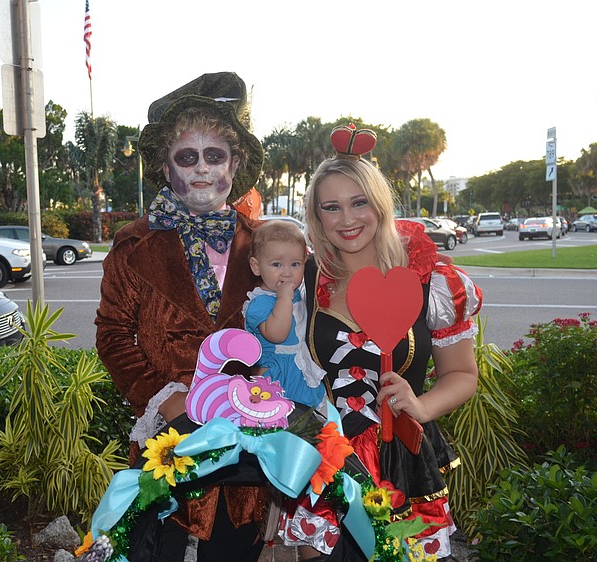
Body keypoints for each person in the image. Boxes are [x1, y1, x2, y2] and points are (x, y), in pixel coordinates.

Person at [288, 125, 483, 560]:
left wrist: (422, 407)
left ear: (379, 204)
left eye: (359, 202)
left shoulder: (432, 280)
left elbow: (462, 374)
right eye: (331, 207)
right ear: (317, 217)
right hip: (326, 460)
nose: (347, 219)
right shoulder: (302, 280)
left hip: (403, 465)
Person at [95, 72, 267, 562]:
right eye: (187, 157)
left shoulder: (263, 243)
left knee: (234, 552)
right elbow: (112, 336)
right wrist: (164, 399)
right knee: (160, 550)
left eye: (215, 155)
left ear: (235, 163)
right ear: (165, 165)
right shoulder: (134, 245)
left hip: (244, 444)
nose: (202, 169)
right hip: (168, 441)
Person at [243, 220, 325, 407]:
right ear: (256, 266)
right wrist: (284, 299)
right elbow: (277, 334)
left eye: (295, 264)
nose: (287, 273)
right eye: (276, 264)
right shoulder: (259, 303)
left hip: (301, 371)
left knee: (312, 419)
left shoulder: (297, 294)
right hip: (278, 376)